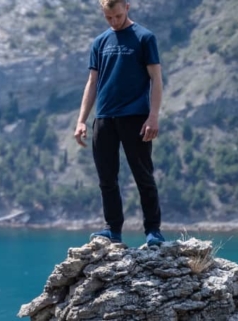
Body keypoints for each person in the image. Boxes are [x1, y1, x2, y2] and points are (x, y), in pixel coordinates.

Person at [73, 0, 166, 246]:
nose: (114, 21)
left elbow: (156, 79)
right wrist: (82, 120)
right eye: (108, 17)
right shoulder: (100, 42)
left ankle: (153, 231)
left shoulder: (145, 38)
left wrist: (153, 115)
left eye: (116, 15)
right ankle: (113, 229)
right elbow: (92, 83)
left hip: (135, 117)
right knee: (106, 177)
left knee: (143, 175)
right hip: (104, 118)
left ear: (127, 6)